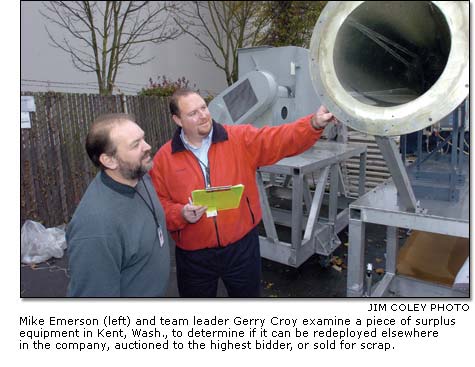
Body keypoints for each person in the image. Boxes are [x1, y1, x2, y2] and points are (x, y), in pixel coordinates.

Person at [150, 89, 336, 297]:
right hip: (194, 256)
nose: (203, 115)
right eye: (193, 113)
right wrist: (180, 213)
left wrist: (313, 124)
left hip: (241, 249)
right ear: (178, 119)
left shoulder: (238, 139)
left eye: (204, 107)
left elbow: (279, 139)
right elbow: (158, 205)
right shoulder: (164, 159)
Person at [66, 113, 170, 297]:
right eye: (135, 144)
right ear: (109, 160)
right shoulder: (95, 227)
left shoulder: (139, 175)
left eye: (143, 138)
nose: (148, 147)